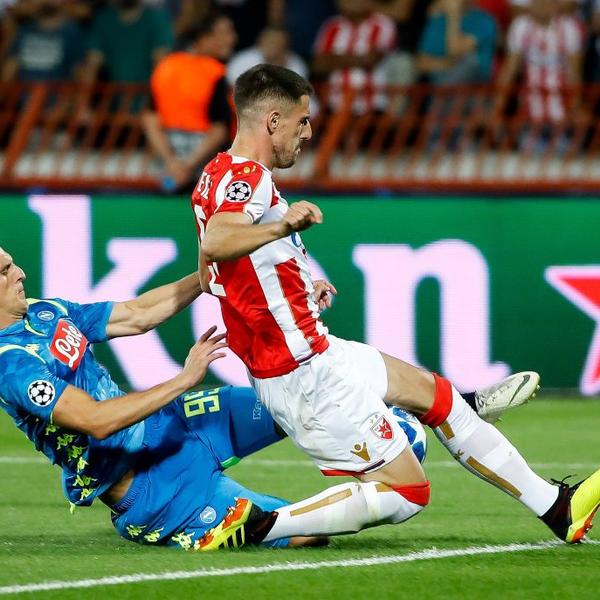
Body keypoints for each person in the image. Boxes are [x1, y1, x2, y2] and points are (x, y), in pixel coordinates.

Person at [192, 63, 600, 547]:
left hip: (312, 350)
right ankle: (260, 526)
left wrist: (295, 284)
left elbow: (210, 272)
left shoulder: (214, 175)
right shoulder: (249, 179)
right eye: (303, 121)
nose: (309, 132)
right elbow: (219, 242)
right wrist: (284, 227)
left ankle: (557, 508)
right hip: (299, 370)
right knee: (408, 492)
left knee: (440, 398)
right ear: (273, 120)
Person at [0, 244, 542, 552]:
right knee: (305, 537)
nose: (19, 272)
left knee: (299, 394)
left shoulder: (48, 313)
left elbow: (139, 313)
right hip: (153, 490)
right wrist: (184, 378)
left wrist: (209, 277)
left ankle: (445, 405)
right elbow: (93, 420)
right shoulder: (11, 365)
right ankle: (409, 426)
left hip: (179, 426)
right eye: (4, 272)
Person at [142, 12, 236, 191]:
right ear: (203, 38)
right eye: (224, 33)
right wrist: (187, 167)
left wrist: (171, 162)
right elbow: (220, 130)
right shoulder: (215, 72)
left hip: (168, 167)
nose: (232, 39)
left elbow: (150, 120)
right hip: (205, 166)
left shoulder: (165, 65)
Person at [1, 0, 86, 82]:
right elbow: (11, 66)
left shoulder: (71, 32)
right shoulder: (25, 30)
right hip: (25, 90)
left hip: (56, 90)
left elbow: (79, 71)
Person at [227, 26, 308, 86]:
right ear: (260, 42)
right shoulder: (242, 60)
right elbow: (233, 88)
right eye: (270, 42)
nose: (273, 46)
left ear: (286, 45)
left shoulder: (297, 65)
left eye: (278, 43)